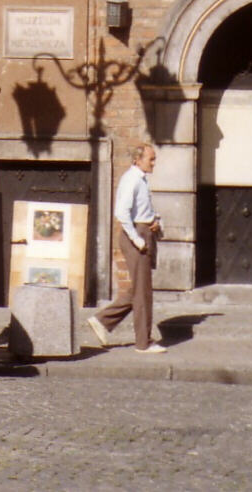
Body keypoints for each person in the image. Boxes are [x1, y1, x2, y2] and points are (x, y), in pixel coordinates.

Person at [87, 142, 165, 354]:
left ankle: (102, 320)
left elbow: (144, 210)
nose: (154, 163)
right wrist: (137, 239)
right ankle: (143, 342)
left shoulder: (141, 180)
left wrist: (156, 222)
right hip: (137, 236)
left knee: (139, 288)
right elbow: (121, 213)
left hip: (144, 231)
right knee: (143, 293)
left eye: (154, 158)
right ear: (137, 160)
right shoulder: (132, 180)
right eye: (151, 159)